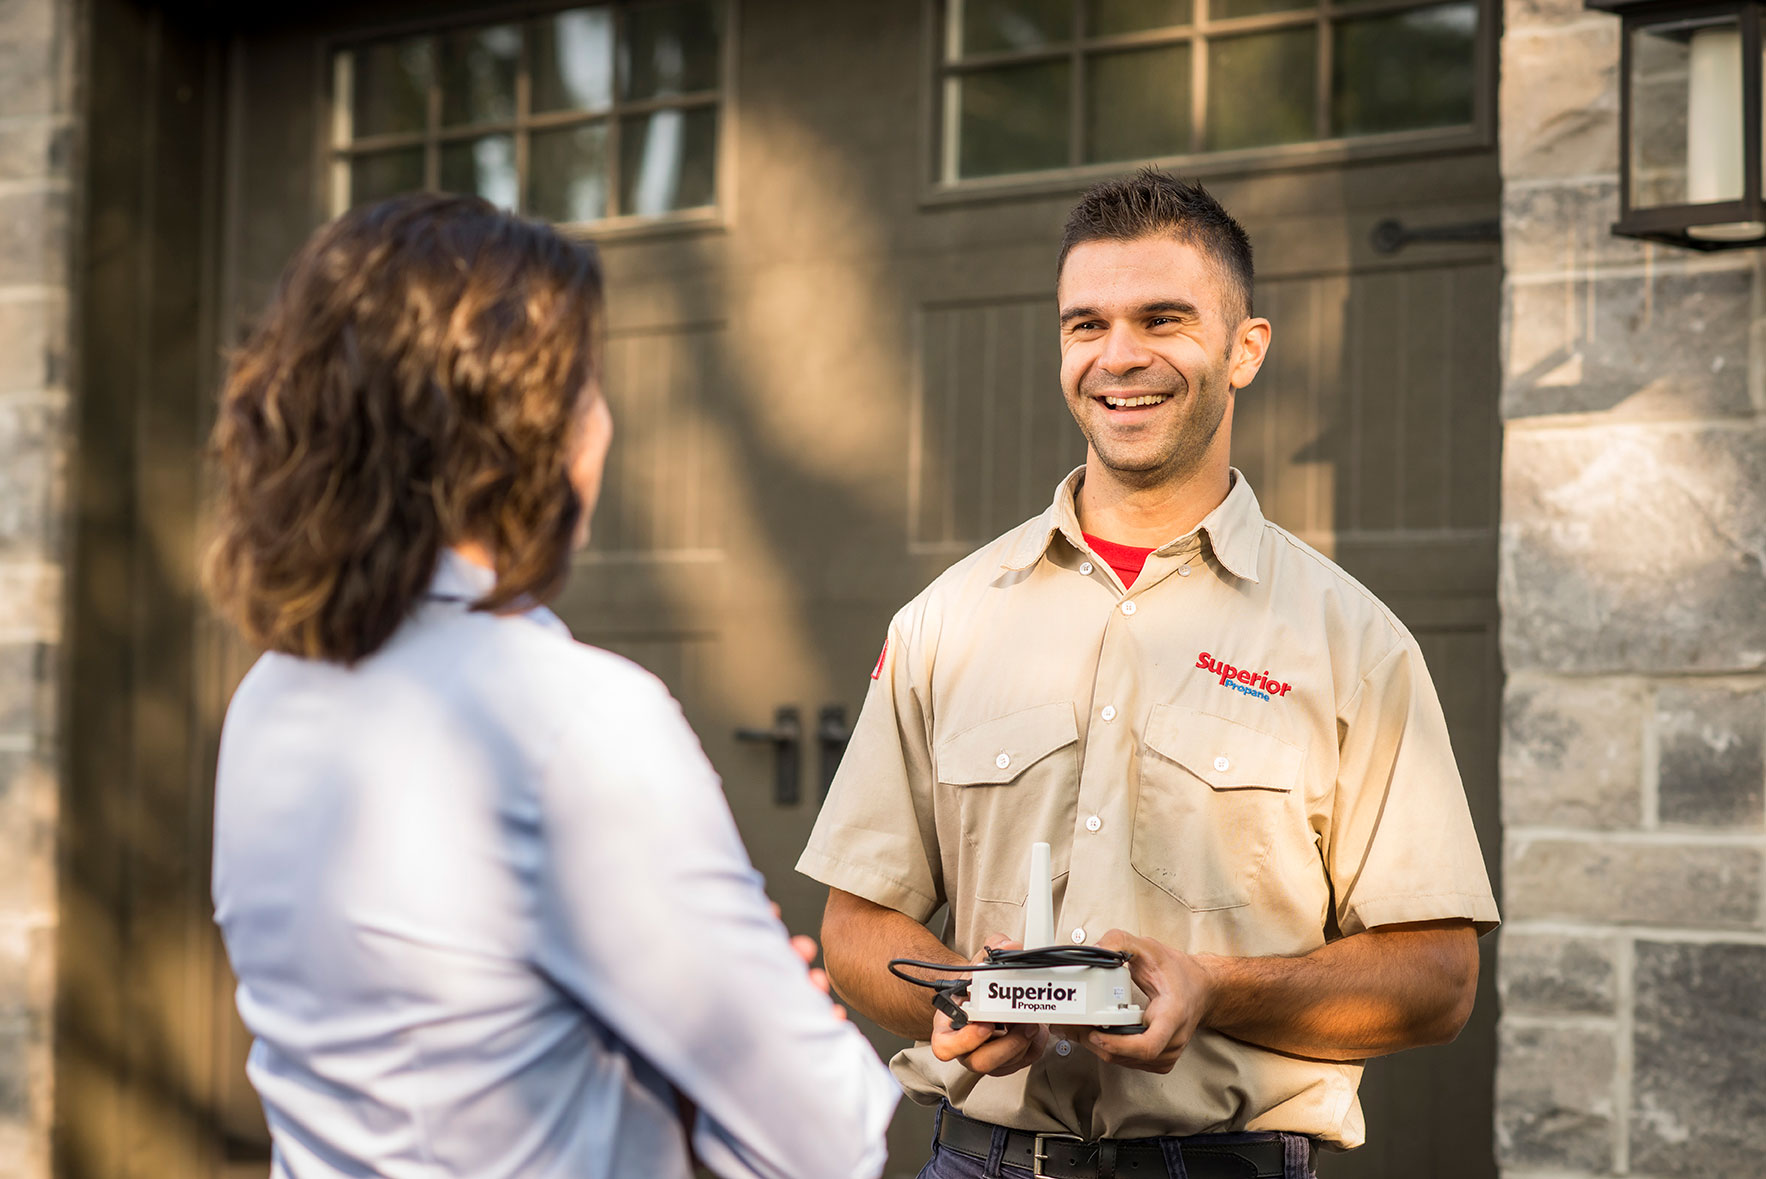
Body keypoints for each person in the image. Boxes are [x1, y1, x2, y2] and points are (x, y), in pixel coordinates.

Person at [799, 169, 1500, 1179]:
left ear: (1241, 347)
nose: (1117, 357)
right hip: (982, 1161)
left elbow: (1436, 980)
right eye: (1084, 326)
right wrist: (964, 997)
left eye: (1161, 319)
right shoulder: (942, 623)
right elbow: (856, 925)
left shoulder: (1353, 641)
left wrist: (1211, 986)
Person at [204, 193, 898, 1179]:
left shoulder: (268, 700)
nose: (604, 425)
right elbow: (827, 1138)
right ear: (518, 434)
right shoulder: (572, 721)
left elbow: (450, 1035)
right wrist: (727, 1058)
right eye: (587, 389)